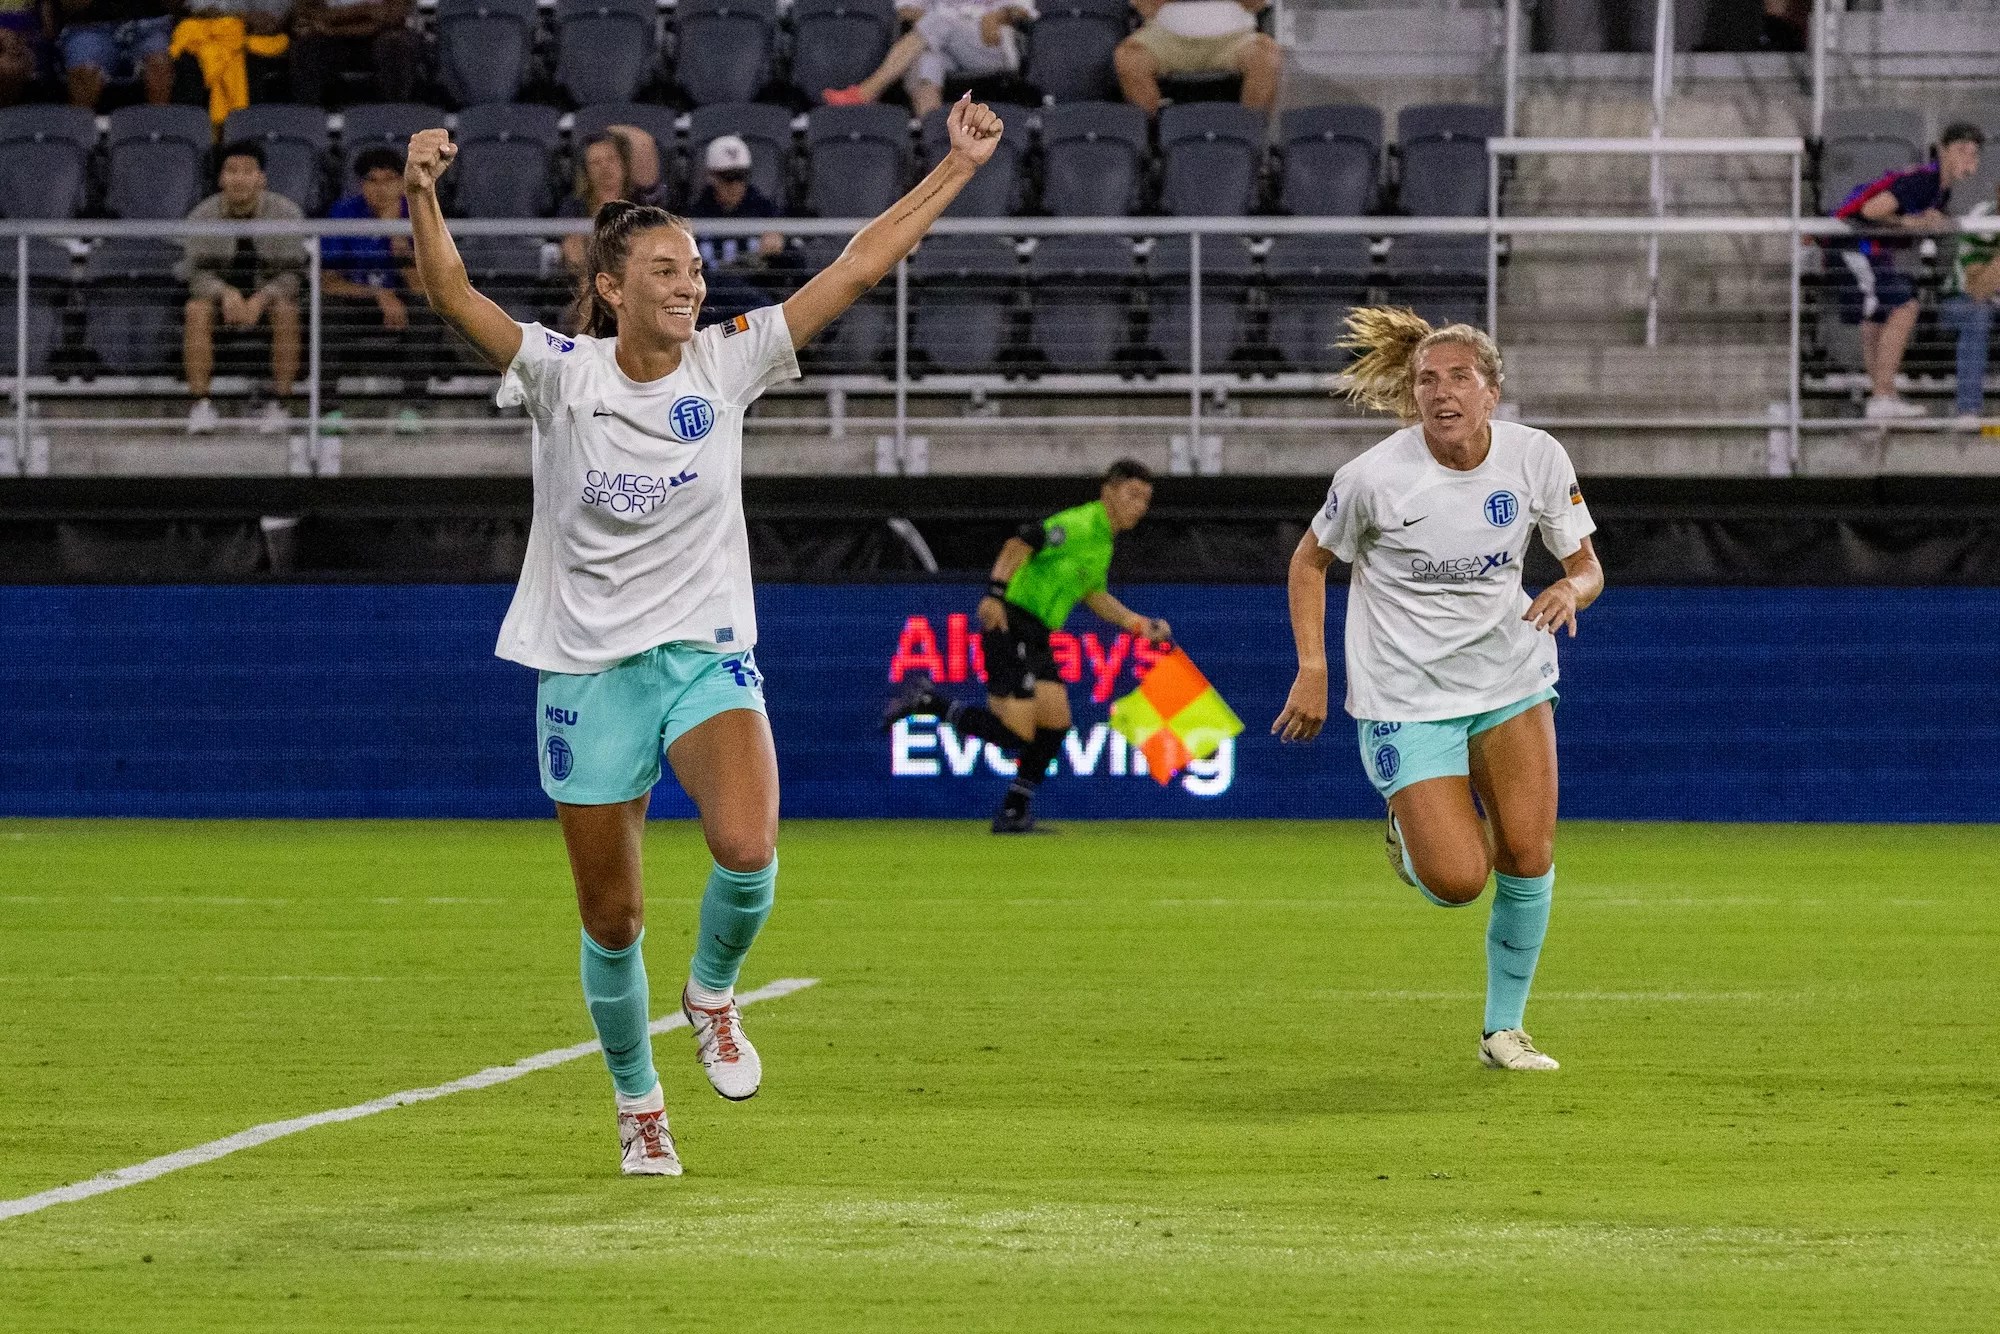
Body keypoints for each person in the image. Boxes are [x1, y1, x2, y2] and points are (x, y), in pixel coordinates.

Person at [403, 93, 1007, 1176]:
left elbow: (857, 266)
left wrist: (955, 166)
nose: (689, 285)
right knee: (614, 914)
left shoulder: (726, 362)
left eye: (692, 269)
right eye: (665, 270)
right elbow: (448, 289)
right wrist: (421, 192)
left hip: (701, 648)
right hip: (586, 667)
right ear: (610, 287)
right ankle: (638, 1102)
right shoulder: (559, 372)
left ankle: (715, 991)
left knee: (746, 845)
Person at [1272, 307, 1604, 1073]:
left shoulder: (1536, 457)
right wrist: (1314, 668)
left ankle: (1503, 1031)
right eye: (1428, 380)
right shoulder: (1374, 479)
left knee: (1527, 852)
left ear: (1492, 392)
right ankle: (1408, 832)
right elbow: (1308, 563)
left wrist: (1571, 592)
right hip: (1406, 697)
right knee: (1459, 881)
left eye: (1459, 378)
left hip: (1510, 680)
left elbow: (1586, 565)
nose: (1441, 392)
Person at [881, 460, 1171, 833]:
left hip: (1037, 634)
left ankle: (1013, 811)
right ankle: (929, 702)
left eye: (1146, 499)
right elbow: (1019, 543)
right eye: (1132, 495)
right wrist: (994, 595)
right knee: (1018, 733)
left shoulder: (1103, 542)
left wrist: (1137, 624)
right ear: (1108, 492)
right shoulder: (1080, 524)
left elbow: (1093, 594)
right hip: (1010, 622)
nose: (1140, 506)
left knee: (1056, 725)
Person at [1830, 122, 1984, 422]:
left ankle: (1880, 397)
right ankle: (1883, 395)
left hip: (1869, 251)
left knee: (1878, 317)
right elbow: (1873, 210)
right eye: (1961, 150)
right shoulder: (1925, 180)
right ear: (1942, 150)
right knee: (1904, 305)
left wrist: (1925, 217)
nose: (1968, 158)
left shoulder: (1940, 190)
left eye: (1974, 153)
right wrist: (1909, 223)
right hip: (1855, 247)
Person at [179, 139, 304, 434]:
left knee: (287, 310)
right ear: (221, 178)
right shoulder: (202, 216)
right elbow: (194, 274)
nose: (239, 179)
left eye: (248, 171)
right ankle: (201, 405)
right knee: (196, 309)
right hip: (220, 303)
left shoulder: (286, 214)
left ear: (261, 178)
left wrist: (262, 298)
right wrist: (225, 293)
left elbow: (294, 274)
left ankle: (280, 405)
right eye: (231, 171)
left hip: (268, 299)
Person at [821, 0, 1034, 117]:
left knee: (941, 21)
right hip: (943, 43)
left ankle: (866, 92)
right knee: (924, 58)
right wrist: (929, 25)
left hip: (990, 45)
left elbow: (1023, 10)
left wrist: (1000, 16)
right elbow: (905, 9)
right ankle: (933, 136)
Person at [681, 134, 794, 322]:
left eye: (740, 177)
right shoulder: (694, 216)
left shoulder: (767, 212)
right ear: (711, 177)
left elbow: (795, 267)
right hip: (712, 304)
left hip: (756, 300)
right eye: (727, 178)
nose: (735, 185)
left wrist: (781, 249)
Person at [1114, 0, 1282, 118]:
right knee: (1129, 58)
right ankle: (1156, 135)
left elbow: (1256, 3)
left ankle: (1248, 135)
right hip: (1166, 40)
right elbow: (1146, 8)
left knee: (1265, 57)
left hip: (1234, 40)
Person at [559, 129, 667, 278]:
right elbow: (573, 254)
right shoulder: (575, 205)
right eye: (595, 162)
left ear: (624, 164)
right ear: (586, 172)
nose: (605, 167)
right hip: (592, 281)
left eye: (611, 159)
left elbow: (644, 143)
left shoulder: (643, 203)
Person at [1939, 186, 1999, 432]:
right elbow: (1977, 290)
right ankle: (1968, 410)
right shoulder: (1983, 220)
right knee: (1979, 314)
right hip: (1961, 301)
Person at [287, 0, 416, 107]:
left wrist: (335, 25)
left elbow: (391, 16)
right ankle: (310, 114)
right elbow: (308, 13)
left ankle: (395, 113)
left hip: (384, 35)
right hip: (330, 37)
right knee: (306, 47)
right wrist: (366, 10)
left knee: (394, 45)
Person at [54, 0, 174, 108]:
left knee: (158, 65)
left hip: (148, 24)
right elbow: (69, 5)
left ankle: (159, 130)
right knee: (86, 72)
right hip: (89, 26)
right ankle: (78, 128)